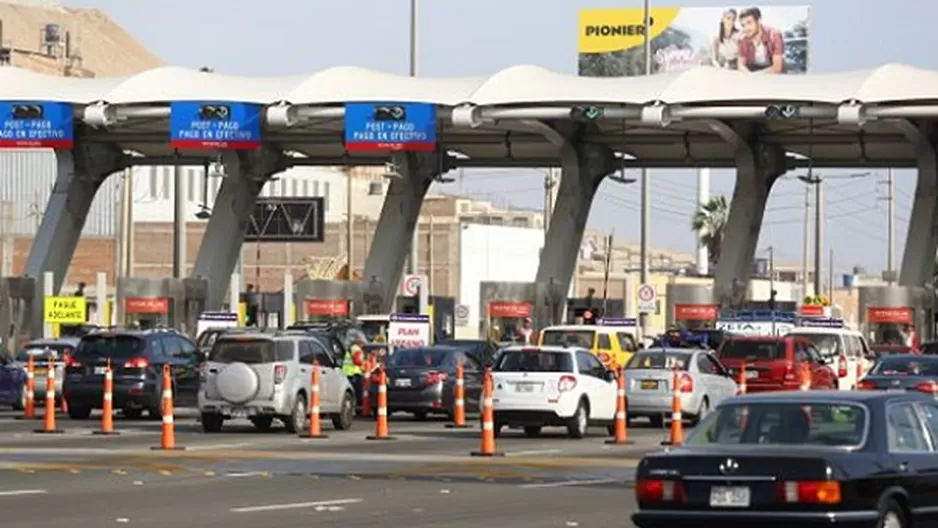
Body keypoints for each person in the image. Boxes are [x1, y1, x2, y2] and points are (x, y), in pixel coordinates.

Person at [737, 7, 786, 74]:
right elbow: (741, 65)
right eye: (743, 25)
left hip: (773, 75)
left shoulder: (774, 35)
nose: (746, 28)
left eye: (749, 23)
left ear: (759, 21)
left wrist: (754, 77)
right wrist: (749, 77)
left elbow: (777, 68)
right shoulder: (742, 38)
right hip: (753, 72)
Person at [342, 334, 365, 408]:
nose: (363, 344)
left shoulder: (352, 348)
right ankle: (356, 407)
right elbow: (357, 361)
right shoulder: (356, 349)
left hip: (348, 372)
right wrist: (364, 365)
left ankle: (352, 406)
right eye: (362, 343)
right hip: (353, 373)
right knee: (357, 392)